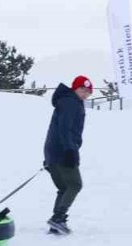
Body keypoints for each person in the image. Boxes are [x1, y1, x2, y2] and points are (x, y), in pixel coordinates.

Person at [43, 75, 93, 235]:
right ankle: (58, 218)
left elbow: (58, 129)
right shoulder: (71, 103)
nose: (85, 94)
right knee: (75, 185)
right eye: (82, 90)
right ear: (75, 88)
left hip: (53, 150)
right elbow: (65, 129)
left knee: (64, 188)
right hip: (63, 150)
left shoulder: (66, 101)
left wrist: (49, 156)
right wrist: (70, 150)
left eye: (88, 92)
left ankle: (55, 223)